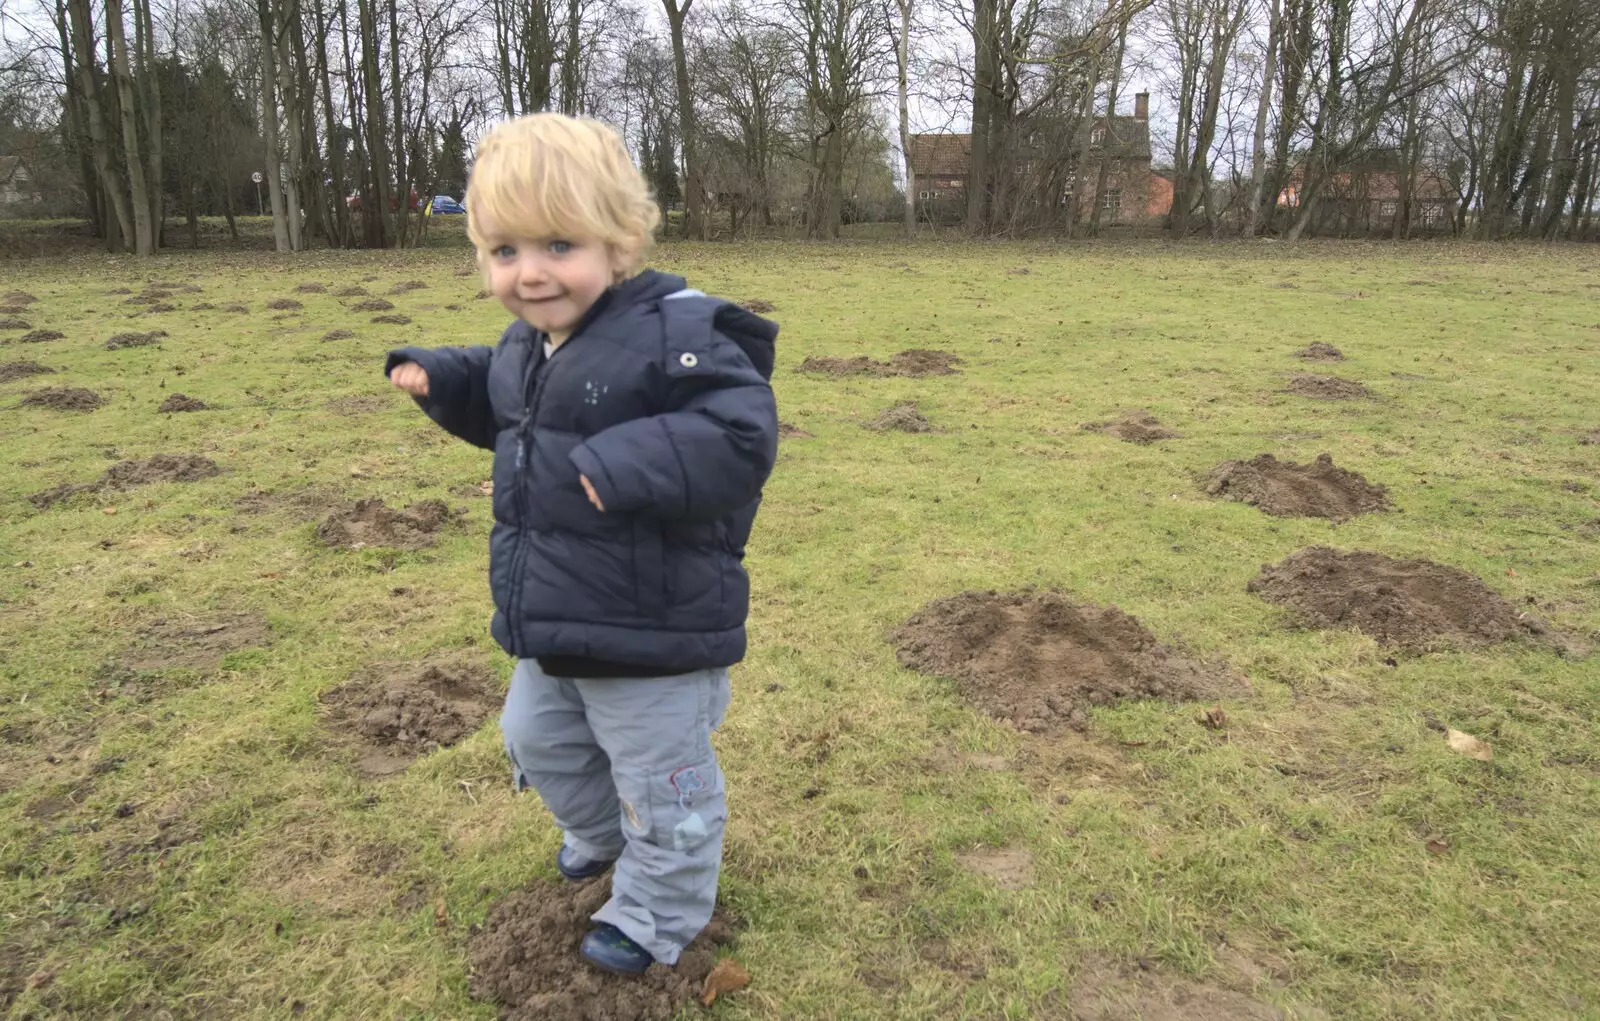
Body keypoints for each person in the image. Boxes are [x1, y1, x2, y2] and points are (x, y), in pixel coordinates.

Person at [383, 113, 778, 975]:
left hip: (654, 625)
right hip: (558, 614)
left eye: (559, 244)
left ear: (621, 240)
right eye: (504, 251)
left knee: (661, 779)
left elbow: (741, 434)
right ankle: (603, 838)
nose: (530, 273)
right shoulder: (530, 343)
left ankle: (657, 909)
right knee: (535, 738)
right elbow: (508, 406)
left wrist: (630, 460)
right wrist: (441, 378)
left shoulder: (677, 334)